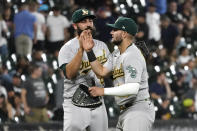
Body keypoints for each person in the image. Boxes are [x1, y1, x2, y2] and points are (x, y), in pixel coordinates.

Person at [83, 17, 155, 131]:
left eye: (115, 30)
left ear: (124, 33)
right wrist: (89, 52)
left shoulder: (132, 55)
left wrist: (103, 91)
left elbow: (133, 88)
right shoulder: (116, 53)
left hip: (138, 110)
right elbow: (101, 72)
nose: (111, 32)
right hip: (126, 111)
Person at [58, 9, 110, 131]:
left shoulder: (102, 46)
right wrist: (81, 50)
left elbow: (108, 73)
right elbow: (69, 74)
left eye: (90, 21)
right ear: (75, 26)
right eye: (83, 21)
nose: (88, 24)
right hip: (75, 102)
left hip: (98, 101)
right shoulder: (67, 48)